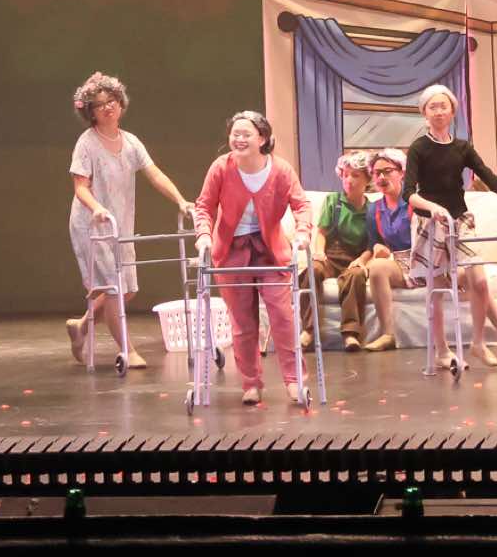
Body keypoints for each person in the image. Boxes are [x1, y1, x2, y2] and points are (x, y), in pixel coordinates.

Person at [403, 85, 497, 369]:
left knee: (479, 281)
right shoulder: (418, 148)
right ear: (425, 113)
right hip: (431, 222)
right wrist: (432, 208)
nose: (439, 112)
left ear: (452, 111)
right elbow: (408, 194)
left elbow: (491, 180)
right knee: (437, 290)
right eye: (432, 107)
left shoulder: (462, 148)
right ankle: (442, 351)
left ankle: (478, 343)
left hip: (460, 219)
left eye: (443, 106)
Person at [64, 73, 195, 372]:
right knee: (113, 290)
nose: (107, 107)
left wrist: (180, 200)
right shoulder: (87, 144)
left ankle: (81, 326)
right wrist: (97, 208)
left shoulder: (131, 141)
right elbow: (80, 187)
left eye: (112, 101)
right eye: (99, 104)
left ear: (121, 103)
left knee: (127, 290)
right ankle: (127, 350)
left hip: (119, 224)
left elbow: (154, 174)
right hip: (92, 225)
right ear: (91, 112)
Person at [192, 111, 313, 406]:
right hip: (231, 251)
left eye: (246, 134)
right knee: (242, 322)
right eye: (235, 134)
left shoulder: (280, 170)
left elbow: (302, 205)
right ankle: (251, 383)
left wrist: (302, 232)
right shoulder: (221, 167)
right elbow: (204, 205)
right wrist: (204, 235)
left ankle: (294, 380)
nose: (239, 139)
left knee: (283, 317)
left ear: (262, 138)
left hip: (270, 250)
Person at [310, 149, 379, 352]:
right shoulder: (333, 201)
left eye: (355, 175)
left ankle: (350, 333)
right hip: (331, 256)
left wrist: (362, 260)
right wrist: (319, 253)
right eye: (345, 175)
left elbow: (372, 245)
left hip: (355, 257)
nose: (349, 180)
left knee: (356, 276)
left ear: (367, 179)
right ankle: (307, 330)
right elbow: (321, 233)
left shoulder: (372, 210)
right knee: (313, 270)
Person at [359, 147, 415, 352]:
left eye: (387, 171)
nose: (381, 177)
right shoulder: (373, 209)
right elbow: (374, 243)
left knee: (469, 273)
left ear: (401, 173)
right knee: (377, 267)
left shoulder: (414, 201)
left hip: (424, 258)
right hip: (398, 263)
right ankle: (387, 335)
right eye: (377, 173)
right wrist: (376, 251)